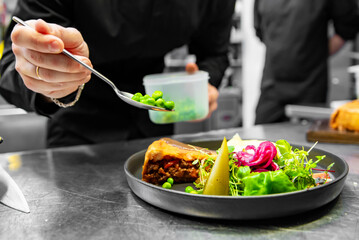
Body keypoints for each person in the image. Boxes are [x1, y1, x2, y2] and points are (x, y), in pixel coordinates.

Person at [0, 0, 236, 147]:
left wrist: (204, 81)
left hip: (153, 127)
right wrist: (48, 79)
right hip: (77, 129)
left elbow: (215, 53)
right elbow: (10, 66)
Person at [253, 0, 359, 124]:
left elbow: (348, 28)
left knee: (307, 140)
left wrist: (316, 53)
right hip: (272, 87)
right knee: (260, 139)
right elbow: (260, 31)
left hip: (310, 87)